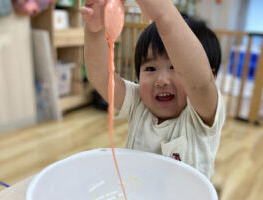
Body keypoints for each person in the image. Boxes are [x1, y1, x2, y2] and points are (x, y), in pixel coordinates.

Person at [81, 0, 225, 181]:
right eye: (150, 69)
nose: (162, 81)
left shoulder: (200, 116)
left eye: (175, 68)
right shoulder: (138, 102)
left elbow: (200, 83)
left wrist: (164, 14)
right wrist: (94, 31)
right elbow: (101, 77)